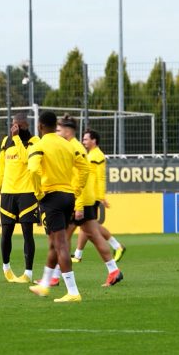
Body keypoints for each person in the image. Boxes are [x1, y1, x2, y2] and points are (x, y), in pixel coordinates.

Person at [26, 111, 89, 303]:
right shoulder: (68, 145)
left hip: (51, 197)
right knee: (55, 241)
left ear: (40, 126)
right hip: (68, 196)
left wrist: (38, 193)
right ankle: (44, 285)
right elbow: (85, 168)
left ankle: (73, 291)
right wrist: (76, 190)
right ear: (56, 126)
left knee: (60, 243)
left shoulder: (39, 145)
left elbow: (33, 170)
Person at [56, 118, 123, 288]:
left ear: (68, 131)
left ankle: (54, 276)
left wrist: (78, 205)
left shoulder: (75, 148)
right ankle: (114, 270)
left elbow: (82, 177)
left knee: (63, 237)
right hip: (84, 198)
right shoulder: (75, 147)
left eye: (59, 130)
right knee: (91, 234)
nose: (57, 132)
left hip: (81, 199)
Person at [0, 112, 40, 283]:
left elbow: (27, 159)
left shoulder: (34, 141)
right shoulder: (5, 141)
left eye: (17, 125)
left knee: (28, 233)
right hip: (8, 193)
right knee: (6, 233)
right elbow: (1, 168)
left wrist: (17, 139)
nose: (14, 128)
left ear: (25, 125)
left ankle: (28, 273)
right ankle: (6, 268)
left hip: (27, 193)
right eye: (13, 124)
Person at [72, 128, 126, 263]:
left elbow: (100, 177)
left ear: (93, 140)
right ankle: (78, 254)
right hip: (89, 194)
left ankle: (117, 246)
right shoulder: (91, 154)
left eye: (86, 139)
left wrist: (101, 196)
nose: (83, 141)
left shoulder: (97, 156)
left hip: (92, 196)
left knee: (90, 226)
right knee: (87, 225)